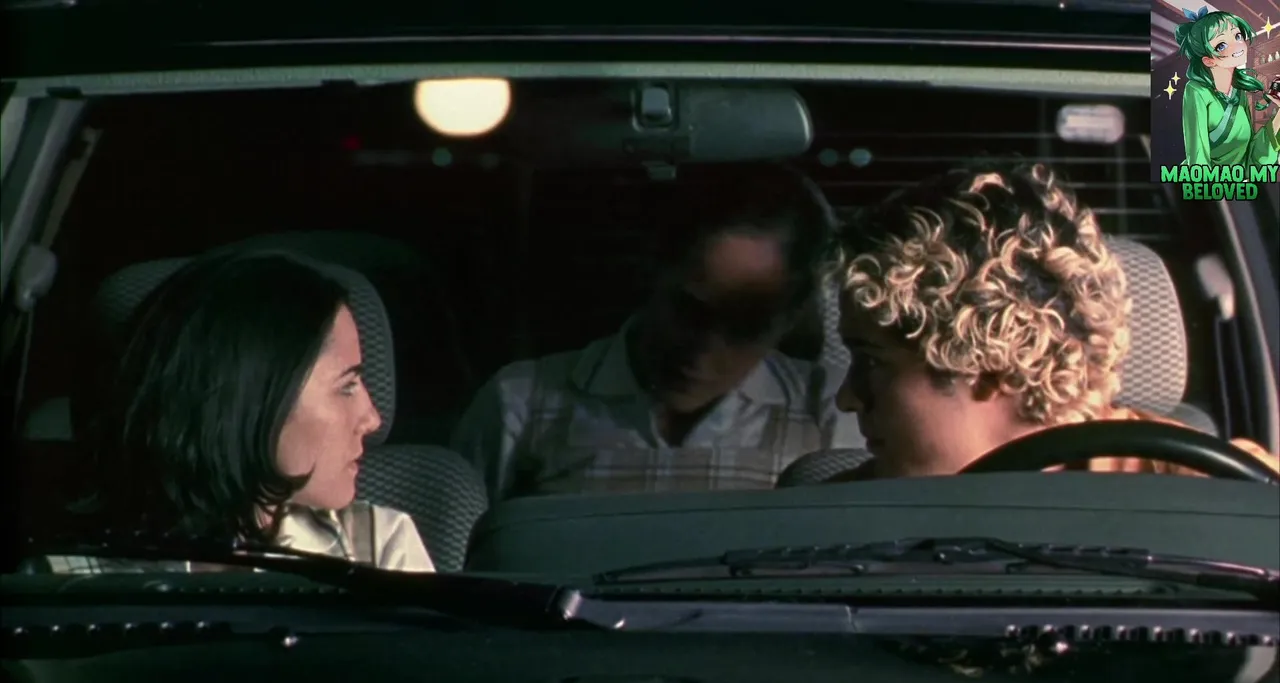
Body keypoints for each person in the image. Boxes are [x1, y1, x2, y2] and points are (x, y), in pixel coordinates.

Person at [828, 160, 1279, 481]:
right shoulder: (843, 521)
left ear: (990, 369)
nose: (846, 399)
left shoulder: (1228, 492)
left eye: (873, 362)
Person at [452, 163, 861, 501]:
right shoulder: (520, 404)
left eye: (745, 326)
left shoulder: (829, 412)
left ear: (791, 318)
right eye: (688, 309)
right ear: (653, 270)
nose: (702, 349)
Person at [49, 250, 435, 572]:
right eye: (346, 386)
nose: (372, 419)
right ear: (251, 400)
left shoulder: (379, 550)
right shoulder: (73, 580)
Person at [1173, 8, 1280, 169]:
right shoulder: (1196, 91)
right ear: (1208, 60)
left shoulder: (1239, 91)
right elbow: (1197, 156)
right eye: (1221, 45)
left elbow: (1252, 156)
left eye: (1237, 36)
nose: (1238, 45)